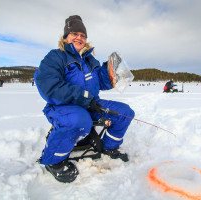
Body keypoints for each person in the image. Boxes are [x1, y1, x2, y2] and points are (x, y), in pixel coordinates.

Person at [34, 15, 135, 183]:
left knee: (124, 113)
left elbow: (101, 82)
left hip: (91, 103)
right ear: (66, 36)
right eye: (74, 33)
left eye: (83, 35)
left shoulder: (89, 59)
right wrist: (83, 98)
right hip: (62, 106)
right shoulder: (55, 56)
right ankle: (54, 161)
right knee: (80, 120)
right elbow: (49, 85)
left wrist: (111, 71)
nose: (79, 38)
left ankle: (110, 148)